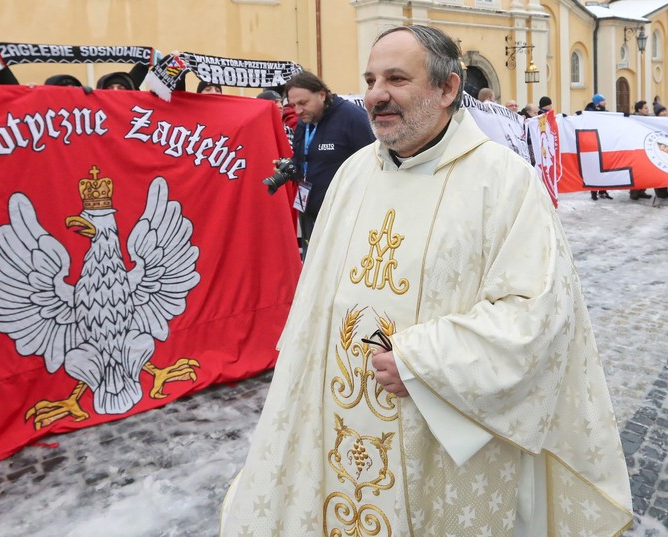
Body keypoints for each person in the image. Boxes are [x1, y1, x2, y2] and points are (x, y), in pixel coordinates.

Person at [220, 24, 632, 537]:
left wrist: (423, 362)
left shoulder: (503, 182)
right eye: (370, 79)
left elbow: (537, 314)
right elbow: (315, 301)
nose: (376, 94)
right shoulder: (353, 176)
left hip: (440, 441)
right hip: (340, 432)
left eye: (396, 78)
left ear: (447, 89)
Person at [284, 70, 374, 257]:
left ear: (322, 95)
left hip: (341, 216)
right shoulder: (305, 121)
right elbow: (302, 158)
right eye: (293, 105)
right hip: (308, 209)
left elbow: (373, 162)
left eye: (303, 103)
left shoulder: (352, 117)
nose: (298, 110)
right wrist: (290, 167)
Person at [585, 93, 612, 200]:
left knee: (604, 168)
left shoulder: (604, 112)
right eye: (602, 100)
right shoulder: (589, 112)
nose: (605, 102)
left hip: (603, 143)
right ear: (597, 102)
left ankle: (603, 191)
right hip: (593, 144)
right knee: (595, 169)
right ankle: (593, 192)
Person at [630, 100, 653, 200]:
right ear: (639, 110)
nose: (648, 110)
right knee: (637, 172)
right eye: (645, 108)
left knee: (646, 171)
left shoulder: (649, 120)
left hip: (646, 148)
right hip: (636, 149)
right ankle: (634, 192)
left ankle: (642, 190)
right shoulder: (633, 119)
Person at [655, 104, 668, 199]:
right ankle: (660, 191)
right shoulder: (653, 122)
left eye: (665, 110)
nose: (664, 113)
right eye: (662, 111)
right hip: (659, 149)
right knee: (659, 169)